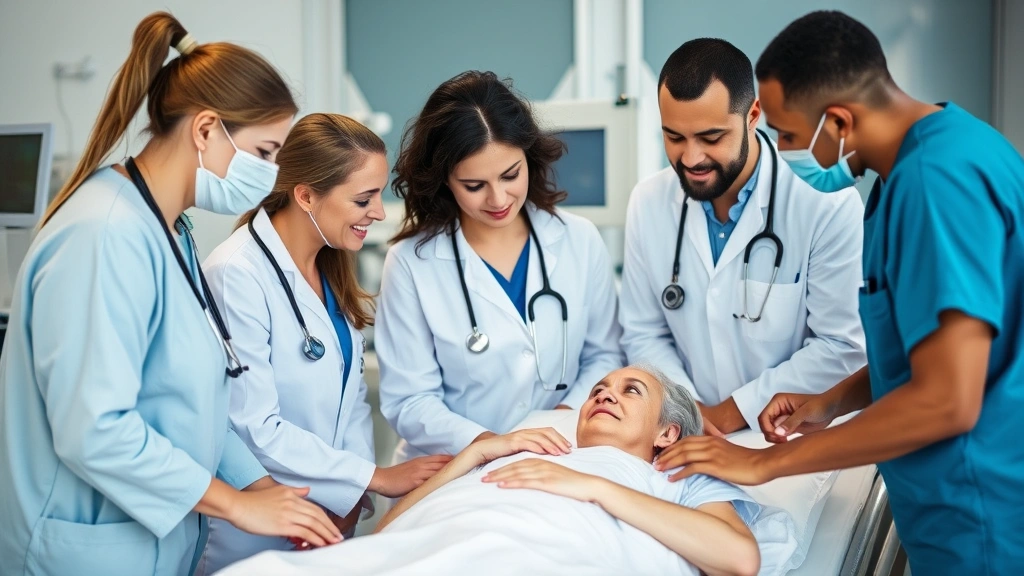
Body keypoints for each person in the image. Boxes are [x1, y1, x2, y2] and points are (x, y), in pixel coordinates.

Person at [657, 11, 1024, 575]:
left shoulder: (937, 185)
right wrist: (829, 403)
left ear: (836, 122)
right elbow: (925, 349)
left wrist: (765, 466)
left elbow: (947, 397)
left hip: (983, 514)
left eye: (785, 134)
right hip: (954, 507)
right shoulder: (932, 162)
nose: (777, 148)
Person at [0, 12, 343, 576]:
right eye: (264, 153)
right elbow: (95, 430)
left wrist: (268, 494)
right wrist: (238, 506)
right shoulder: (105, 235)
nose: (272, 174)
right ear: (206, 130)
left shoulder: (170, 231)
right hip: (82, 553)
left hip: (152, 547)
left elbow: (194, 408)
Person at [217, 365, 800, 576]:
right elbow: (392, 534)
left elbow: (739, 559)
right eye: (600, 388)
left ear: (667, 433)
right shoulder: (536, 445)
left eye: (631, 391)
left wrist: (594, 488)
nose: (606, 394)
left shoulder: (679, 475)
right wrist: (475, 455)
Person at [197, 113, 452, 573]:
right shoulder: (236, 274)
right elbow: (252, 424)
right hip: (256, 527)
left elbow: (352, 400)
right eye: (363, 198)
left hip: (329, 516)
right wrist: (372, 478)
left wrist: (349, 498)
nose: (377, 212)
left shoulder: (329, 264)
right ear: (306, 196)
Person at [375, 71, 625, 464]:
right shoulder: (411, 263)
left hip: (561, 453)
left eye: (511, 175)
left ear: (530, 158)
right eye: (474, 185)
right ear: (444, 181)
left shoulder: (578, 239)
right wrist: (490, 443)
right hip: (456, 463)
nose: (498, 198)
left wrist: (559, 421)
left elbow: (604, 357)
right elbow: (410, 400)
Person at [619, 38, 866, 436]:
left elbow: (841, 347)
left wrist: (730, 413)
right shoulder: (648, 202)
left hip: (790, 436)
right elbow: (644, 332)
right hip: (687, 431)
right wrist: (690, 412)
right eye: (674, 137)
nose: (691, 158)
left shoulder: (826, 203)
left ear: (752, 115)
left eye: (711, 137)